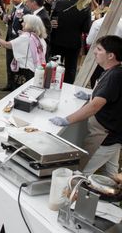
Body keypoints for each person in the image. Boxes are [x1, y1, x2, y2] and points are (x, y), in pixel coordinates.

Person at [49, 36, 122, 178]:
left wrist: (67, 120)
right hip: (113, 134)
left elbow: (94, 107)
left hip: (105, 136)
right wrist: (90, 96)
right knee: (111, 172)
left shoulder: (115, 75)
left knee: (81, 173)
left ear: (111, 55)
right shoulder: (113, 71)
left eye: (99, 49)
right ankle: (113, 198)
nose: (94, 51)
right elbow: (111, 97)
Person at [50, 0, 91, 84]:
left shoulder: (60, 3)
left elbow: (53, 20)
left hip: (58, 40)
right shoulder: (85, 7)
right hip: (74, 42)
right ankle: (67, 87)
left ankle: (51, 83)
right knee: (71, 68)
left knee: (54, 64)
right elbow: (86, 28)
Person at [0, 14, 47, 82]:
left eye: (24, 23)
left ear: (30, 25)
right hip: (36, 70)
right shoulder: (40, 38)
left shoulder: (26, 37)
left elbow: (7, 45)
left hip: (25, 71)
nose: (22, 24)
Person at [1, 0, 31, 91]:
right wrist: (6, 19)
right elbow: (11, 21)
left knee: (17, 63)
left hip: (19, 41)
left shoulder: (26, 10)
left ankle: (15, 86)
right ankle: (9, 84)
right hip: (10, 38)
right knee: (9, 62)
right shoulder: (12, 7)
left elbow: (26, 26)